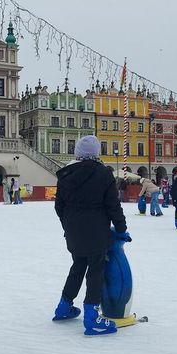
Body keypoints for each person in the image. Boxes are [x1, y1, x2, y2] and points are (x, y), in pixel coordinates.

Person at [53, 135, 128, 336]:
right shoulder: (103, 173)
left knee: (77, 265)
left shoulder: (65, 174)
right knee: (96, 270)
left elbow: (58, 205)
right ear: (95, 153)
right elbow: (112, 205)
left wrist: (68, 225)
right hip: (96, 231)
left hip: (73, 230)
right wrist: (121, 228)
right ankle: (91, 318)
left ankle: (63, 307)